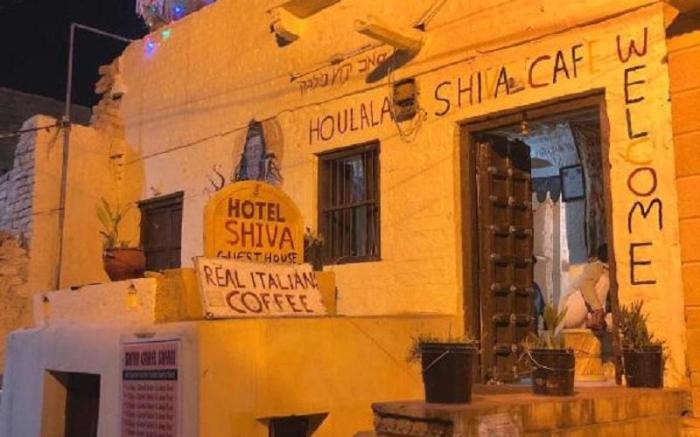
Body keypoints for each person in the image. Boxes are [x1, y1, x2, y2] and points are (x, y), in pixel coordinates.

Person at [560, 244, 610, 333]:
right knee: (604, 280)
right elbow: (585, 286)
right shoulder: (597, 266)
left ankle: (590, 322)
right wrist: (598, 308)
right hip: (569, 314)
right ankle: (595, 317)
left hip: (579, 319)